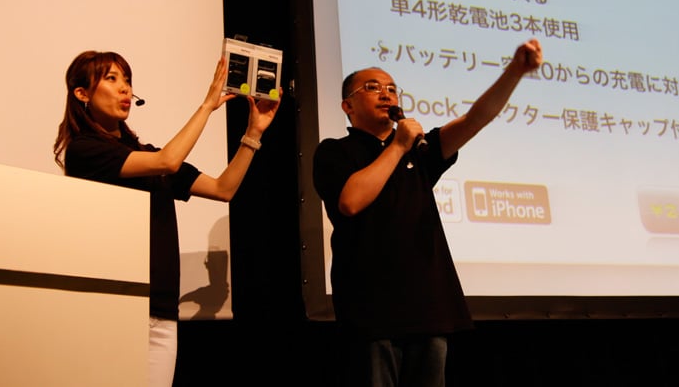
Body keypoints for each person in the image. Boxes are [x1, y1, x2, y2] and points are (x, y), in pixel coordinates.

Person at [312, 39, 543, 387]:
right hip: (371, 308)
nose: (386, 94)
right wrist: (398, 145)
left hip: (427, 306)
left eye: (392, 88)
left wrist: (515, 72)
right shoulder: (335, 151)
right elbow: (351, 202)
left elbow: (476, 119)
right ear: (348, 105)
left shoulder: (421, 151)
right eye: (372, 87)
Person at [53, 50, 281, 387]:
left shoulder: (145, 154)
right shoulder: (85, 150)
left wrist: (254, 133)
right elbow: (168, 161)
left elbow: (223, 188)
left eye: (127, 80)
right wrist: (207, 105)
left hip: (161, 306)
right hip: (114, 303)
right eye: (112, 79)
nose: (125, 89)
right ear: (82, 93)